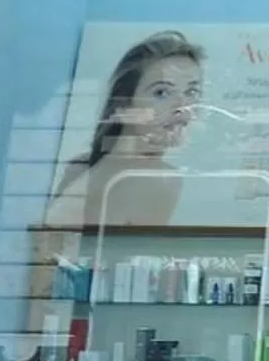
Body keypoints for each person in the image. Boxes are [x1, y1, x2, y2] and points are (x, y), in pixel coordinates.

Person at [45, 31, 206, 230]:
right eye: (162, 93)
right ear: (125, 103)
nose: (183, 105)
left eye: (191, 92)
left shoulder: (80, 167)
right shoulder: (161, 179)